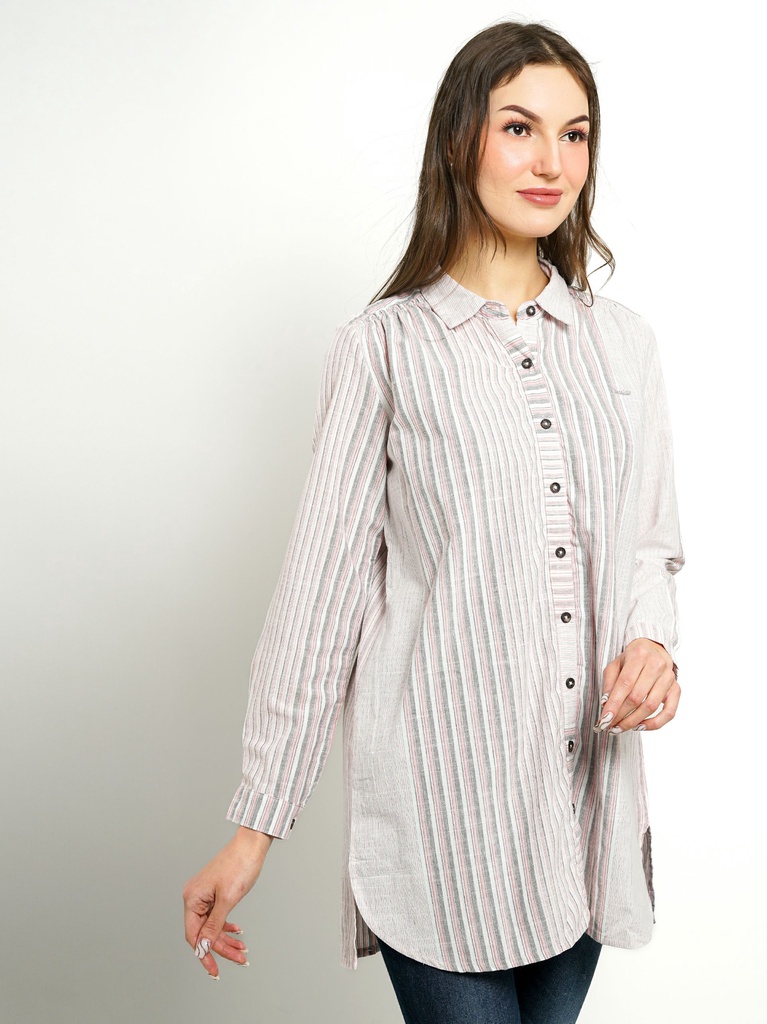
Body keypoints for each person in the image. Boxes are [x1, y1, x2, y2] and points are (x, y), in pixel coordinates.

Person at [183, 19, 685, 1024]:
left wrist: (651, 643)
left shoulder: (623, 346)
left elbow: (647, 543)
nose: (551, 163)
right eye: (519, 128)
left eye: (575, 135)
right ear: (462, 141)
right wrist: (254, 826)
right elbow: (321, 598)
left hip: (582, 807)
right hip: (441, 818)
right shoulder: (383, 349)